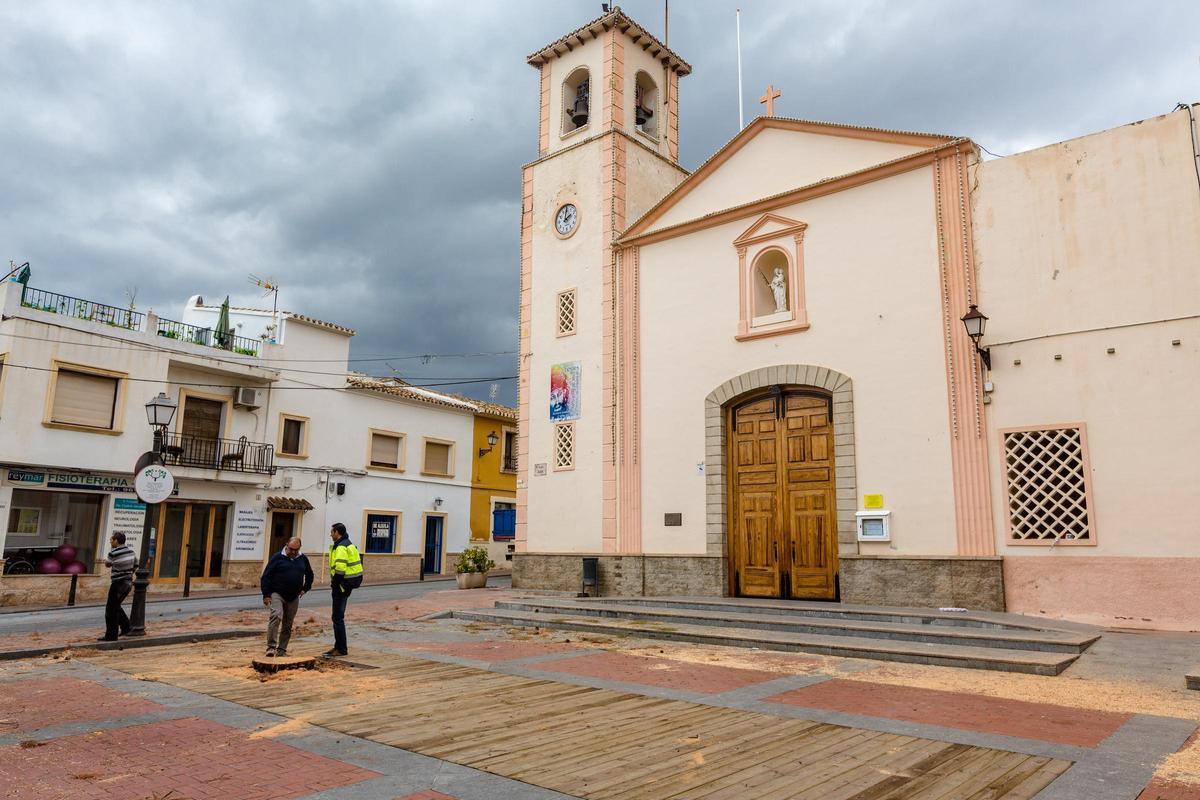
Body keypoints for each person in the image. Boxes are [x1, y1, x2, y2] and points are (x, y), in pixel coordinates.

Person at [259, 536, 313, 657]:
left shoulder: (303, 558)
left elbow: (310, 574)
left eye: (296, 550)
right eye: (291, 549)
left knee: (288, 624)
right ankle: (271, 647)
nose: (293, 552)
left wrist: (305, 588)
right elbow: (266, 576)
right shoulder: (277, 557)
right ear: (286, 545)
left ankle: (282, 649)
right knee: (276, 616)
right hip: (276, 593)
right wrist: (266, 594)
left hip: (293, 596)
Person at [325, 522, 363, 657]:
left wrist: (335, 584)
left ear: (337, 532)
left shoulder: (341, 547)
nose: (330, 534)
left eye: (332, 532)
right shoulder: (349, 544)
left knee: (337, 618)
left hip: (341, 586)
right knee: (338, 617)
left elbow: (340, 569)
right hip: (348, 584)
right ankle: (338, 646)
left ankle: (341, 649)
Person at [99, 532, 136, 641]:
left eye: (111, 539)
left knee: (110, 610)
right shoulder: (131, 552)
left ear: (116, 540)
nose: (110, 541)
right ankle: (126, 627)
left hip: (118, 583)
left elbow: (107, 564)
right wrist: (128, 572)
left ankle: (111, 635)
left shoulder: (113, 553)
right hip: (128, 583)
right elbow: (136, 564)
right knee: (115, 606)